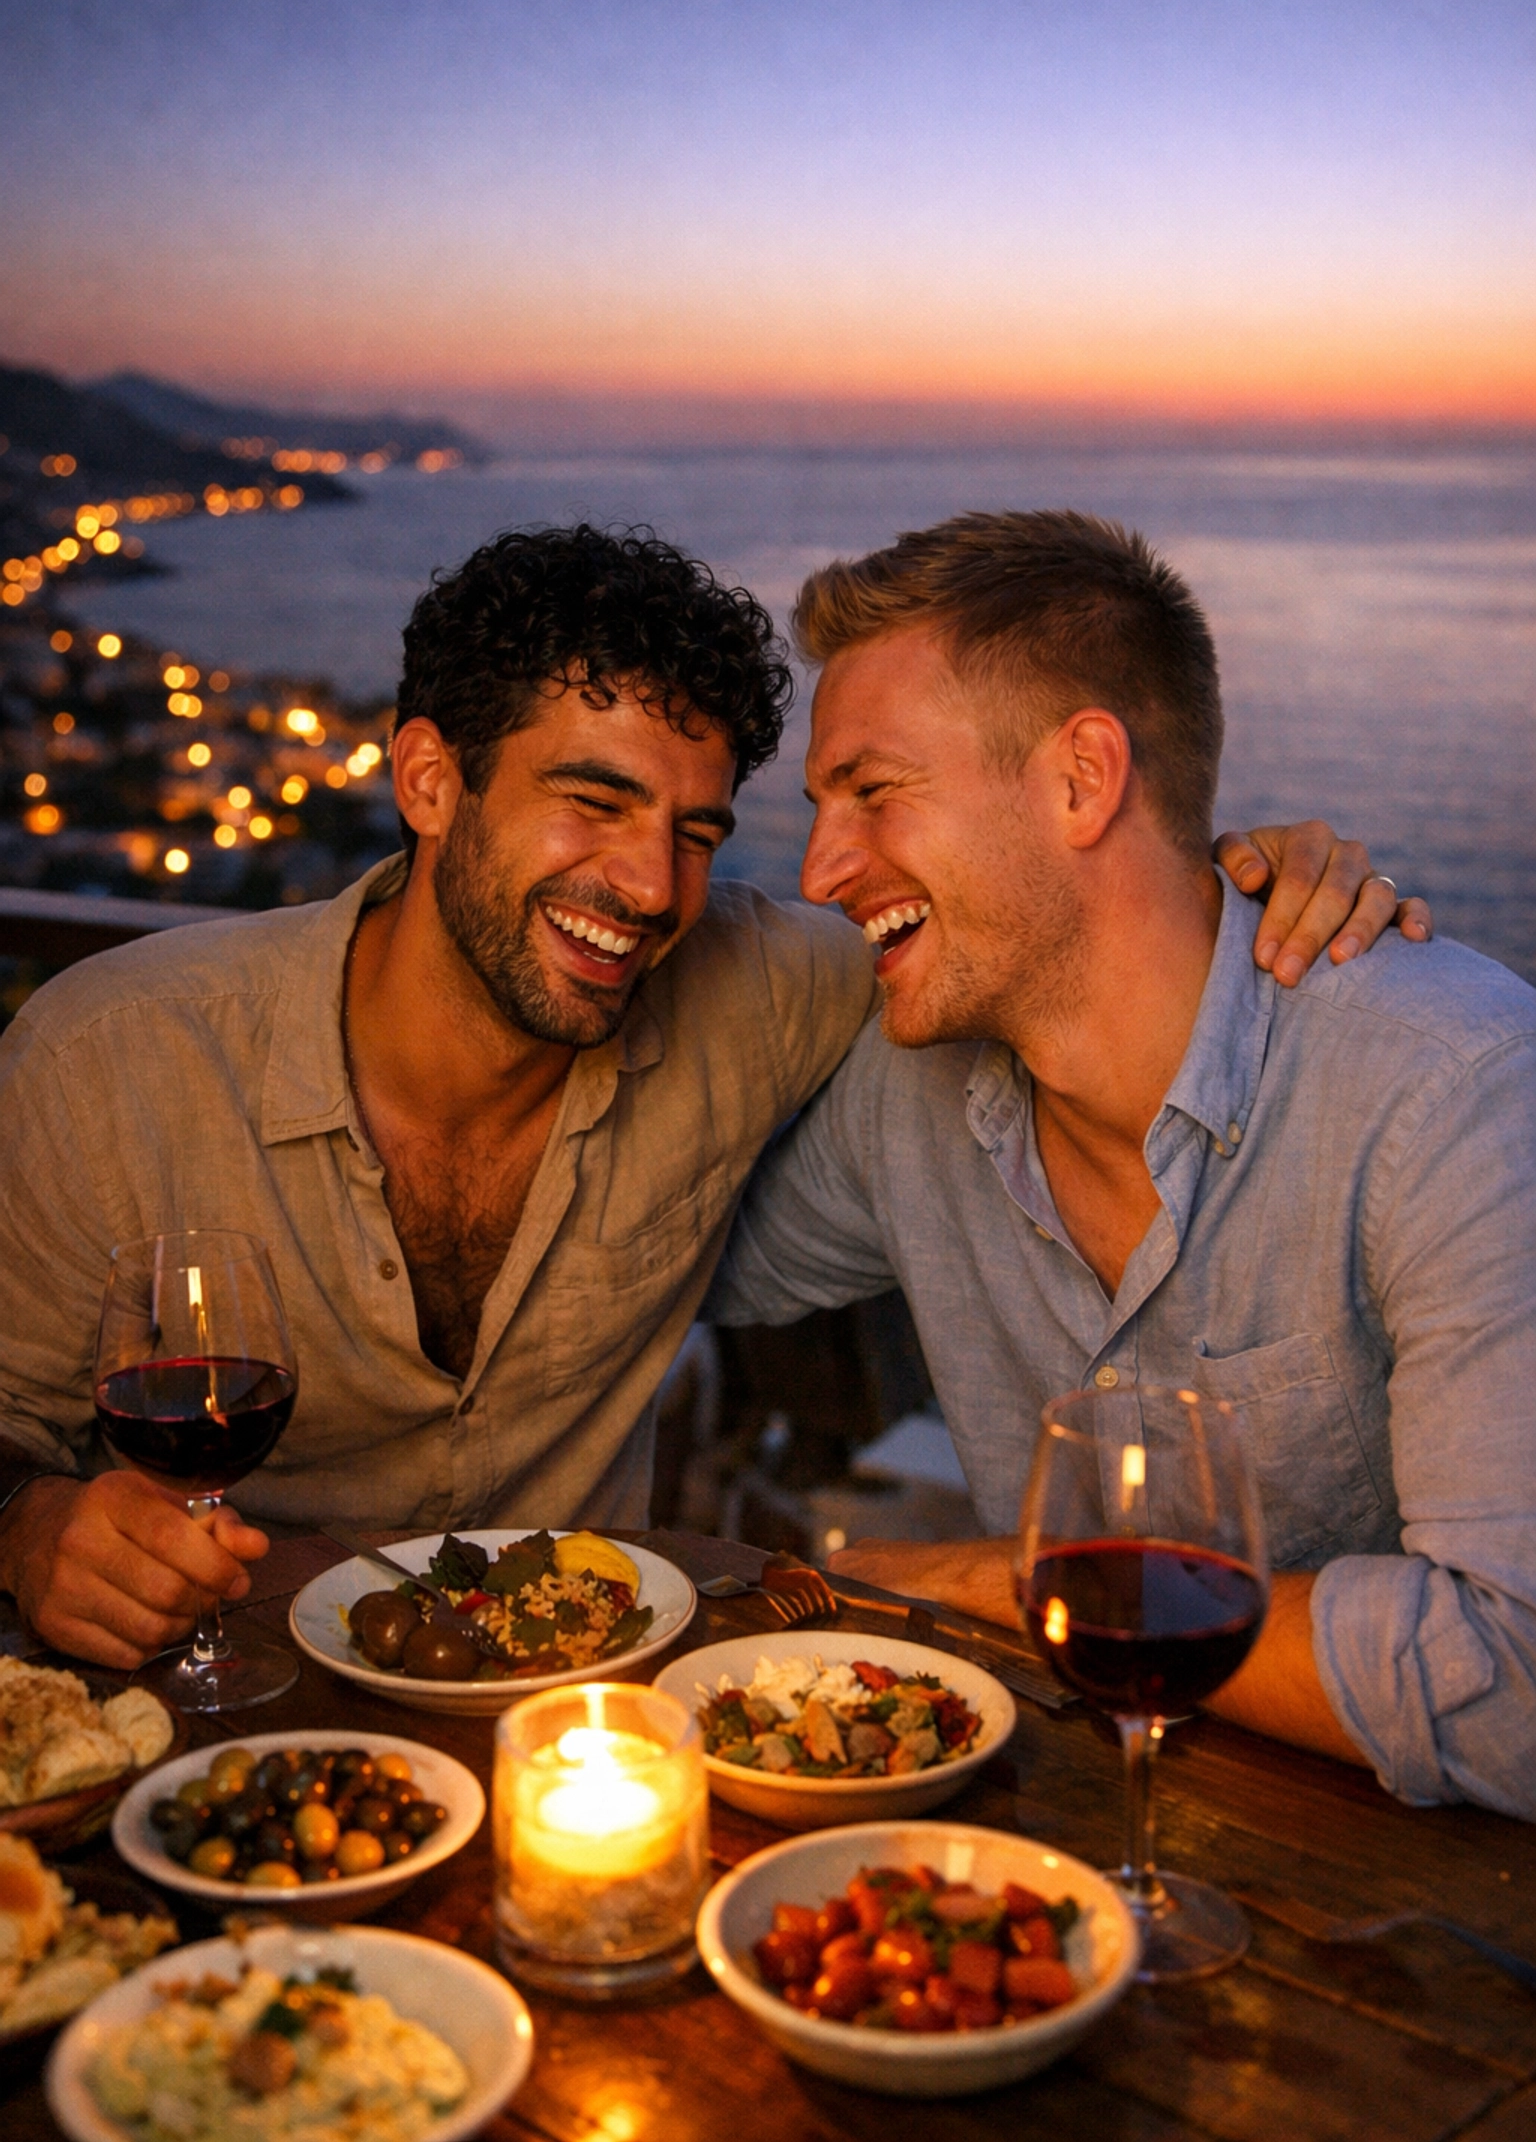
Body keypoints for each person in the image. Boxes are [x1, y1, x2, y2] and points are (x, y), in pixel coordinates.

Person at [0, 523, 1416, 1672]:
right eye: (593, 802)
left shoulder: (773, 986)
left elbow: (1043, 927)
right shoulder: (109, 1063)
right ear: (429, 779)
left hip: (583, 1730)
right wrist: (34, 1530)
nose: (649, 888)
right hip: (187, 1729)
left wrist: (1224, 878)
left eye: (694, 832)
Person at [704, 508, 1533, 1819]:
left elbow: (1519, 1682)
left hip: (1423, 1931)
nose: (819, 869)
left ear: (1084, 780)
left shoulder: (1449, 1091)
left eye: (873, 792)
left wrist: (1009, 1580)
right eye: (819, 808)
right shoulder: (908, 1099)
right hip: (1071, 1835)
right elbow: (660, 1263)